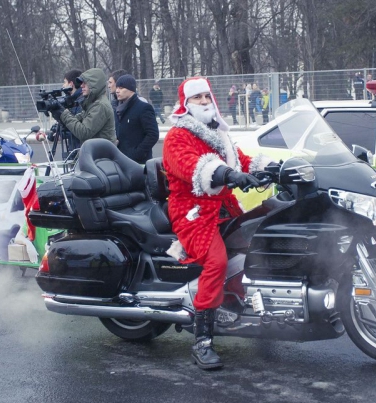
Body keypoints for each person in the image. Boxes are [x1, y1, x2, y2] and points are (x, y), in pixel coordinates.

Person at [162, 77, 276, 370]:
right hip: (193, 211)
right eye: (196, 97)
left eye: (206, 95)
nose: (203, 101)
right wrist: (227, 175)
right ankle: (202, 341)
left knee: (254, 245)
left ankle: (243, 309)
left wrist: (269, 169)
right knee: (217, 262)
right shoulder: (177, 136)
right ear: (185, 104)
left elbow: (239, 160)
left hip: (222, 207)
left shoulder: (217, 133)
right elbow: (192, 167)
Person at [50, 67, 117, 145]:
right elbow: (77, 120)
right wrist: (60, 115)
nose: (81, 86)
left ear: (94, 84)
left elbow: (84, 132)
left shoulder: (100, 105)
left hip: (100, 154)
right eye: (81, 83)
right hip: (96, 153)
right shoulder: (92, 103)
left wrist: (64, 113)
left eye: (85, 83)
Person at [114, 74, 159, 163]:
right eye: (117, 88)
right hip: (121, 160)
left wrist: (137, 153)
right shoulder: (119, 109)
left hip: (138, 163)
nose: (117, 91)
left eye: (121, 88)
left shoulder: (143, 108)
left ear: (131, 90)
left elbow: (153, 134)